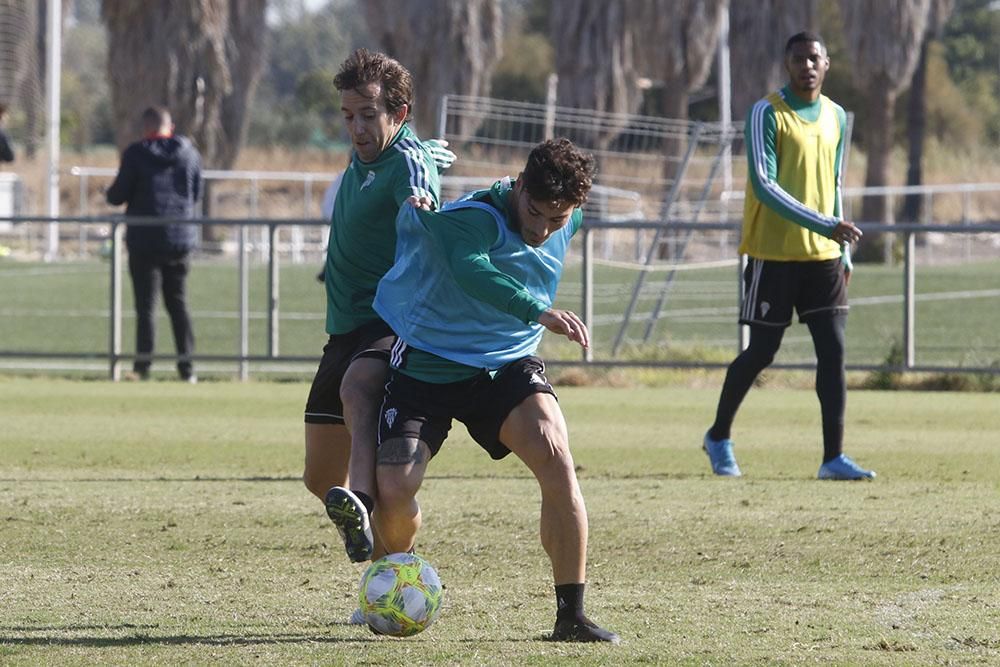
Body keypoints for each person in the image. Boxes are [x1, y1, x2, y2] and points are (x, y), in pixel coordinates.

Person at [330, 138, 620, 643]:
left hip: (506, 365)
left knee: (556, 455)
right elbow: (473, 271)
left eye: (557, 220)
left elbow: (547, 226)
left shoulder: (564, 216)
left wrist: (534, 316)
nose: (541, 230)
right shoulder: (474, 218)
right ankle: (397, 572)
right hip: (429, 365)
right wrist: (540, 310)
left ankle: (570, 614)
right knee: (395, 490)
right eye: (534, 213)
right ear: (520, 185)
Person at [302, 49, 455, 573]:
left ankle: (385, 549)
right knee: (319, 477)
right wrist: (422, 148)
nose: (357, 128)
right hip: (341, 327)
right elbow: (404, 153)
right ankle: (364, 519)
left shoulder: (408, 165)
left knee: (359, 395)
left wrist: (423, 190)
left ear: (399, 113)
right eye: (348, 116)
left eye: (368, 115)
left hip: (388, 321)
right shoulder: (366, 151)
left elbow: (419, 193)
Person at [703, 31, 874, 480]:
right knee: (761, 351)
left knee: (833, 351)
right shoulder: (766, 113)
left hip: (823, 257)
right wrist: (825, 225)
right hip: (772, 254)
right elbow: (765, 184)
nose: (807, 66)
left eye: (814, 58)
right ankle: (718, 436)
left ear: (827, 63)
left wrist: (844, 253)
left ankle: (832, 458)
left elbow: (835, 184)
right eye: (798, 59)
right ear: (786, 63)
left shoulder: (837, 116)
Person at [106, 106, 201, 383]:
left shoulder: (136, 154)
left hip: (144, 240)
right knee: (179, 304)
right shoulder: (190, 154)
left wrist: (109, 194)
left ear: (146, 128)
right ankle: (188, 368)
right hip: (179, 239)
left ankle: (142, 367)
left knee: (146, 307)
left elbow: (117, 194)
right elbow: (196, 193)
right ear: (170, 127)